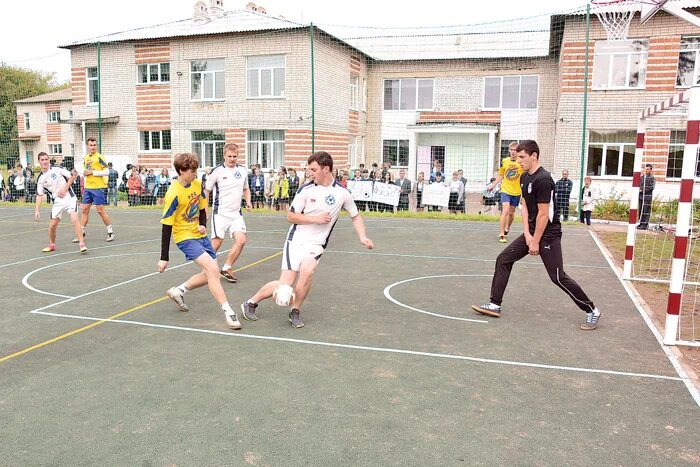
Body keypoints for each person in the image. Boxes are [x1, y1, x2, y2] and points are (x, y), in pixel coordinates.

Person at [472, 140, 601, 330]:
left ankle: (592, 310)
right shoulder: (524, 177)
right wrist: (526, 234)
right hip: (532, 233)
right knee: (503, 259)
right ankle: (494, 304)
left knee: (557, 277)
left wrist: (535, 241)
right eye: (517, 155)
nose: (518, 159)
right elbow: (524, 207)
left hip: (548, 234)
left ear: (534, 156)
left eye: (522, 156)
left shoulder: (544, 180)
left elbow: (543, 214)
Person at [240, 151, 374, 328]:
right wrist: (316, 219)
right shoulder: (306, 189)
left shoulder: (342, 193)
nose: (310, 173)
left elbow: (355, 216)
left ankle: (295, 310)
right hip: (296, 240)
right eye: (309, 169)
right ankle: (250, 303)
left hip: (316, 244)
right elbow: (291, 216)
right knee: (285, 284)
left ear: (326, 169)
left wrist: (363, 237)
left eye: (313, 169)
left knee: (307, 271)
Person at [158, 152, 242, 330]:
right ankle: (228, 311)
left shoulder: (196, 184)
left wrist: (203, 224)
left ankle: (179, 290)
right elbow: (166, 226)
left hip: (200, 234)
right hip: (185, 238)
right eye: (192, 171)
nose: (195, 174)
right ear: (181, 171)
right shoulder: (173, 193)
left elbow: (202, 207)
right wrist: (164, 257)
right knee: (212, 269)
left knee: (211, 273)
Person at [204, 143, 252, 284]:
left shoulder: (243, 170)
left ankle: (226, 267)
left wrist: (248, 201)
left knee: (241, 240)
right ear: (224, 156)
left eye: (234, 156)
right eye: (229, 156)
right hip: (220, 213)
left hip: (236, 214)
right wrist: (205, 210)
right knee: (217, 242)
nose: (232, 159)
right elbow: (206, 190)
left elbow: (246, 189)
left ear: (238, 156)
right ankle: (206, 267)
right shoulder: (217, 171)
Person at [34, 152, 87, 254]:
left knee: (74, 218)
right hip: (57, 202)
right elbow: (39, 195)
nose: (45, 162)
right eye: (42, 160)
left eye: (46, 159)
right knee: (52, 226)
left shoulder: (57, 169)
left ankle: (82, 244)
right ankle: (51, 245)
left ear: (49, 160)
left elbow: (72, 176)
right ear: (39, 161)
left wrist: (65, 188)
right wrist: (37, 210)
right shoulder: (40, 179)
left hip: (69, 197)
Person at [76, 137, 114, 242]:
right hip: (88, 188)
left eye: (94, 145)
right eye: (91, 145)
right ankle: (81, 233)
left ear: (96, 146)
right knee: (84, 210)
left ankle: (110, 231)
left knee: (100, 210)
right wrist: (83, 172)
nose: (92, 147)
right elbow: (85, 170)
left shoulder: (100, 157)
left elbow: (107, 172)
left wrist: (93, 173)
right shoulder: (86, 157)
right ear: (87, 146)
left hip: (98, 188)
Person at [488, 141, 523, 243]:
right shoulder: (505, 161)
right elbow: (501, 175)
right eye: (511, 150)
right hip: (505, 190)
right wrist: (493, 185)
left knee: (511, 213)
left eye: (515, 150)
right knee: (505, 210)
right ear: (509, 150)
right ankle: (502, 233)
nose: (513, 152)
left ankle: (507, 227)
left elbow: (525, 177)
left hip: (516, 191)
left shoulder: (521, 162)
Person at [637, 163, 655, 230]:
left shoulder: (652, 178)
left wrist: (642, 190)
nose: (646, 170)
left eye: (648, 169)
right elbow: (638, 185)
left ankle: (645, 225)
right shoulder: (642, 177)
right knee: (641, 210)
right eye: (645, 169)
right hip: (641, 197)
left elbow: (651, 187)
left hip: (647, 197)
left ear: (650, 170)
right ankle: (641, 223)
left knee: (646, 211)